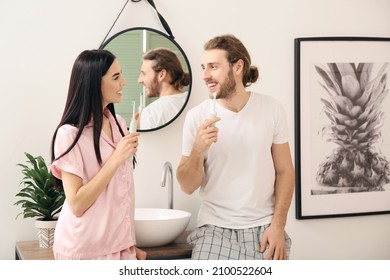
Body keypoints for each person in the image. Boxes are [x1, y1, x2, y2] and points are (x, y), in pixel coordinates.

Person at [176, 34, 295, 260]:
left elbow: (285, 171)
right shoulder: (196, 117)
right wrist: (198, 150)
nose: (205, 75)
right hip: (215, 230)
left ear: (238, 66)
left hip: (264, 227)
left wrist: (278, 225)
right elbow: (187, 186)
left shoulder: (272, 109)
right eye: (204, 67)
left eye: (213, 67)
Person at [50, 49, 146, 260]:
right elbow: (76, 203)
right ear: (94, 83)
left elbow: (123, 191)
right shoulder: (69, 134)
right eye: (116, 76)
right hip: (84, 250)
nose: (124, 82)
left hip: (119, 247)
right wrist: (117, 158)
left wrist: (128, 244)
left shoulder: (119, 124)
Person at [137, 47, 190, 129]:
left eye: (144, 74)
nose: (139, 80)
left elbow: (146, 142)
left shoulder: (151, 113)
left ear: (162, 74)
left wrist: (137, 128)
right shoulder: (192, 101)